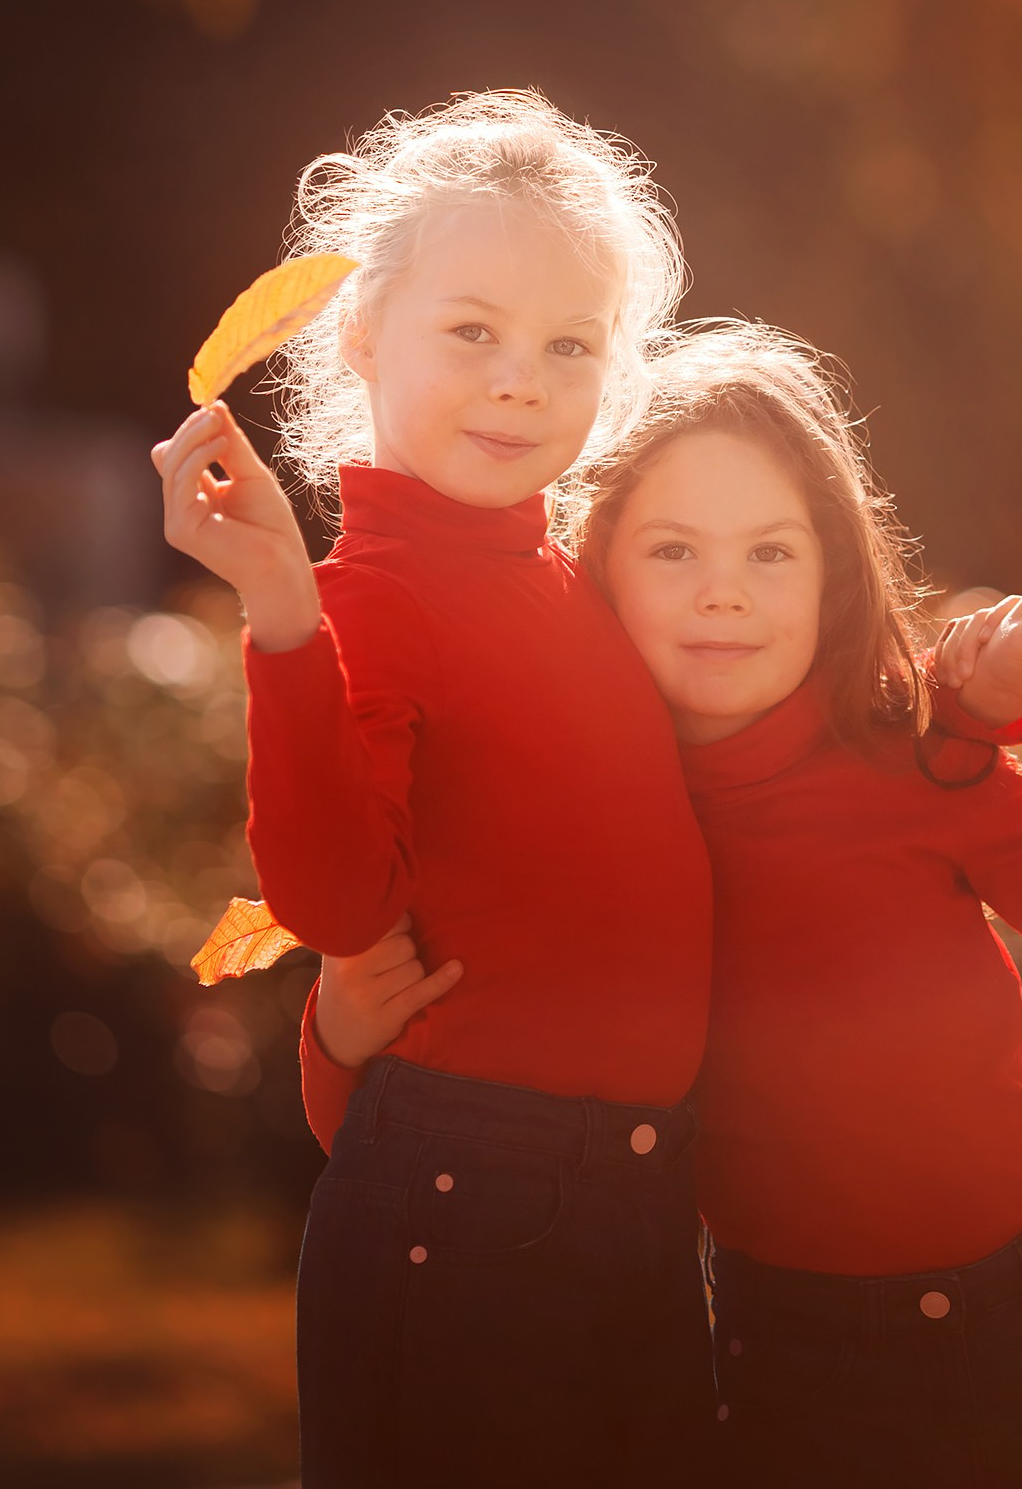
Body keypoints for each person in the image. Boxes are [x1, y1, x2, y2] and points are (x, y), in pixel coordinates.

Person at [306, 321, 1022, 1488]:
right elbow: (382, 1131)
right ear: (595, 568)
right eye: (673, 552)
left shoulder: (919, 760)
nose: (724, 598)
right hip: (805, 1371)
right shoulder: (563, 828)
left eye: (771, 554)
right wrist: (339, 1023)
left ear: (834, 575)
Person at [150, 92, 716, 1489]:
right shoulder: (367, 599)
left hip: (644, 1205)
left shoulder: (587, 588)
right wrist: (284, 608)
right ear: (359, 335)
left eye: (568, 345)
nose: (520, 380)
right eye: (473, 332)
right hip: (469, 1226)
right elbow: (338, 901)